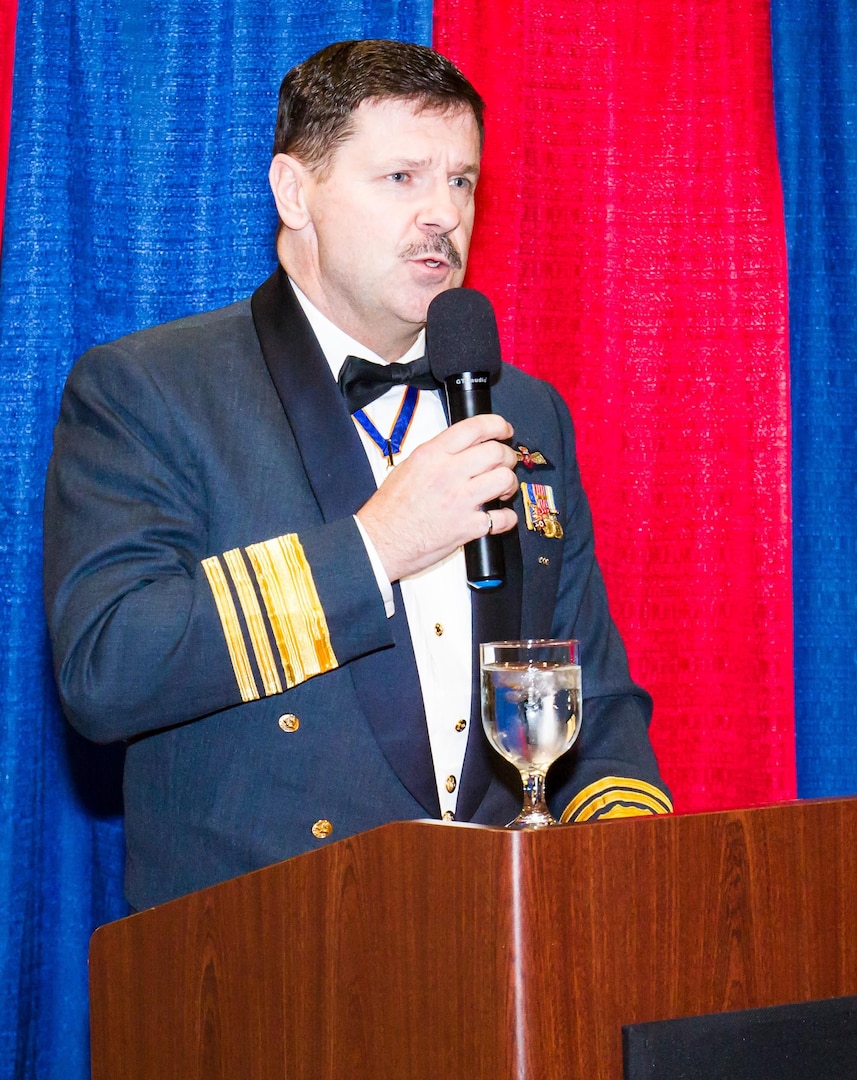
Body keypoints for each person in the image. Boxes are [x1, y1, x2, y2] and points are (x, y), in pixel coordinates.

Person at [43, 39, 672, 912]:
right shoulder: (152, 389)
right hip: (266, 963)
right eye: (402, 178)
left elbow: (588, 698)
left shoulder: (526, 411)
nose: (443, 215)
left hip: (496, 951)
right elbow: (106, 669)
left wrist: (627, 876)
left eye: (462, 181)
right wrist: (377, 547)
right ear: (294, 192)